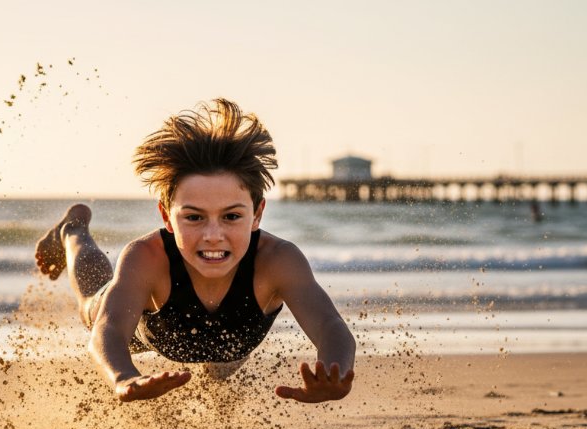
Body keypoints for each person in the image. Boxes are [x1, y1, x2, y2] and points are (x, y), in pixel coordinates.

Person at [34, 98, 356, 403]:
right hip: (142, 331)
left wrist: (336, 372)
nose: (213, 236)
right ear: (167, 216)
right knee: (91, 304)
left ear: (256, 214)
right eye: (194, 217)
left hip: (227, 348)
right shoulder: (147, 259)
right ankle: (73, 230)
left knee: (220, 369)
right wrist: (124, 377)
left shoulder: (278, 261)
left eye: (231, 216)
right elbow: (110, 330)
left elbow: (330, 325)